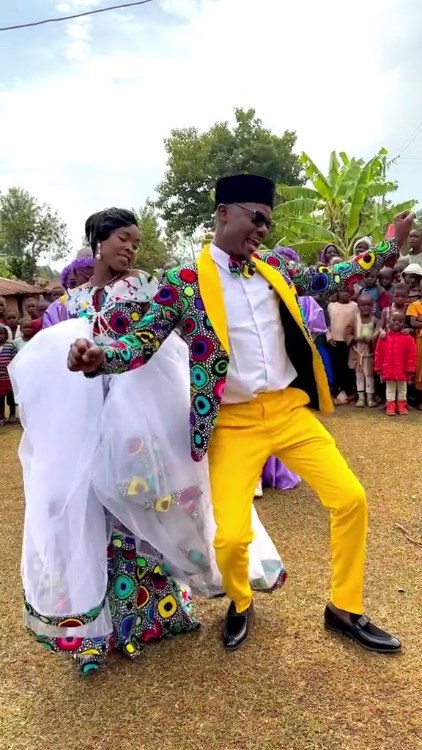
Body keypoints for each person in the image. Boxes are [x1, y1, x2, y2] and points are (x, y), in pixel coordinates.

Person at [68, 174, 411, 654]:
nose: (263, 230)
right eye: (257, 218)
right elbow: (139, 340)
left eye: (268, 221)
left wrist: (384, 247)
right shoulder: (183, 282)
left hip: (289, 411)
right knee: (229, 539)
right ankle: (241, 600)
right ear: (224, 212)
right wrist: (100, 356)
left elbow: (330, 277)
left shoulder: (273, 266)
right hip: (232, 422)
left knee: (351, 498)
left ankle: (344, 609)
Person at [12, 206, 285, 674]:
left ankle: (155, 616)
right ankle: (97, 634)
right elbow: (50, 364)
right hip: (86, 424)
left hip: (142, 424)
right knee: (92, 514)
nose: (130, 248)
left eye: (135, 242)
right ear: (97, 240)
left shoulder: (148, 287)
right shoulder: (67, 303)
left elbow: (174, 336)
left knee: (147, 503)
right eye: (122, 238)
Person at [374, 311, 417, 415]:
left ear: (404, 323)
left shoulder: (408, 338)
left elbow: (412, 355)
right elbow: (378, 353)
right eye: (394, 320)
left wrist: (410, 369)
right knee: (390, 388)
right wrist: (378, 368)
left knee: (402, 388)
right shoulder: (384, 338)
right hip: (388, 369)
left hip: (402, 370)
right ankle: (390, 405)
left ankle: (402, 405)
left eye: (400, 321)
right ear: (389, 321)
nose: (397, 323)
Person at [42, 254, 94, 328]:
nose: (82, 287)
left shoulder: (109, 301)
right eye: (73, 284)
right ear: (66, 286)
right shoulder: (56, 309)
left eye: (90, 281)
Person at [347, 293, 379, 408]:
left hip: (370, 353)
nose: (366, 307)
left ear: (373, 305)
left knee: (369, 375)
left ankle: (370, 398)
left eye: (369, 305)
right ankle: (361, 398)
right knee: (359, 374)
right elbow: (348, 335)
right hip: (357, 352)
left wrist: (372, 338)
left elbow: (378, 333)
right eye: (363, 305)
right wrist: (357, 338)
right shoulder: (354, 320)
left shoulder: (375, 320)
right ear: (358, 306)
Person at [327, 289, 357, 404]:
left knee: (347, 367)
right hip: (334, 341)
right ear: (338, 292)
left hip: (348, 342)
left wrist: (352, 337)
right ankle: (338, 391)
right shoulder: (331, 306)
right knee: (336, 367)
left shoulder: (355, 306)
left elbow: (356, 323)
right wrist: (328, 337)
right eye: (343, 290)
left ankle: (348, 391)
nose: (346, 293)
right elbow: (327, 323)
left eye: (349, 291)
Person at [407, 289, 422, 410]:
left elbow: (418, 321)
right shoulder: (414, 305)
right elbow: (413, 323)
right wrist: (417, 321)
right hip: (419, 342)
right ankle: (420, 400)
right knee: (419, 369)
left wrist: (420, 320)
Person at [0, 324, 17, 426]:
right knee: (0, 399)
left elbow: (14, 359)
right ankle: (1, 416)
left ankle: (12, 414)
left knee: (11, 398)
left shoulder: (10, 345)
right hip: (0, 379)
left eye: (1, 334)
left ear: (6, 335)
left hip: (9, 377)